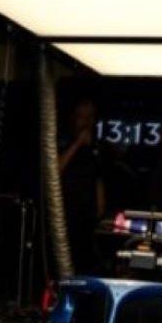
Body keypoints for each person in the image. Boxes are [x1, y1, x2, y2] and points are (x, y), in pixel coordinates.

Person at [58, 99, 105, 275]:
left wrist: (100, 207)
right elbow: (56, 168)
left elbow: (98, 178)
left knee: (86, 258)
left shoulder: (96, 147)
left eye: (90, 117)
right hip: (66, 211)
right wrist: (77, 143)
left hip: (88, 214)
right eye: (82, 117)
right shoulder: (64, 140)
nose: (86, 122)